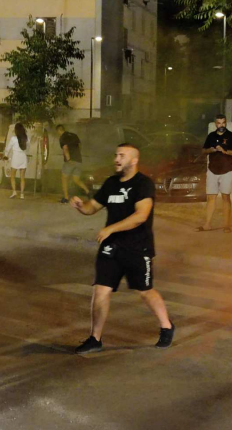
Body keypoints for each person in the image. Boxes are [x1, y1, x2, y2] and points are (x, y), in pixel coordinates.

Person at [71, 143, 175, 354]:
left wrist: (111, 228)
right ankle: (95, 338)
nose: (116, 159)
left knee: (144, 291)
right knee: (101, 290)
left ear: (134, 160)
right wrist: (82, 206)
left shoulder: (143, 184)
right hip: (111, 249)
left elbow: (141, 216)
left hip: (138, 247)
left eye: (122, 156)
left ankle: (166, 326)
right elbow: (93, 206)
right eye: (116, 155)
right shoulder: (111, 183)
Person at [198, 114, 232, 232]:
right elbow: (203, 150)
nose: (221, 125)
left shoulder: (231, 136)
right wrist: (210, 150)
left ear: (225, 123)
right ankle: (207, 224)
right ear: (215, 124)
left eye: (223, 123)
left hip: (227, 170)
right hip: (212, 170)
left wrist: (225, 151)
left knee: (225, 197)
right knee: (211, 197)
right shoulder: (211, 136)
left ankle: (227, 225)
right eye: (219, 123)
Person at [57, 123, 90, 203]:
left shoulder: (62, 137)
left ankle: (66, 198)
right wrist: (77, 156)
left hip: (70, 161)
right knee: (76, 179)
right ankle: (88, 192)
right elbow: (79, 146)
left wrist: (68, 159)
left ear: (59, 130)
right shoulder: (74, 135)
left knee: (64, 179)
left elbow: (65, 148)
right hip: (79, 160)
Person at [5, 122, 29, 199]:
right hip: (23, 158)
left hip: (16, 158)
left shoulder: (13, 139)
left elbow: (8, 148)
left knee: (12, 176)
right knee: (22, 177)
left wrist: (5, 155)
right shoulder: (26, 138)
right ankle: (22, 194)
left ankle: (14, 191)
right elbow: (28, 148)